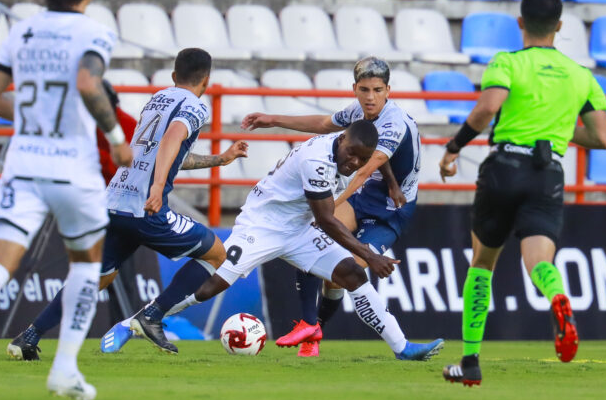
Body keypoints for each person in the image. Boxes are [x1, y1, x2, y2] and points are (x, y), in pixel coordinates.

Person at [0, 0, 132, 400]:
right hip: (72, 168)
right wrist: (114, 136)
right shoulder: (94, 32)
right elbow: (88, 83)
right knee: (87, 264)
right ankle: (65, 368)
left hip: (23, 163)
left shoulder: (20, 32)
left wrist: (32, 118)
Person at [6, 48, 248, 359]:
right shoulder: (196, 106)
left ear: (174, 77)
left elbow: (165, 152)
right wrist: (158, 187)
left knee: (98, 278)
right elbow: (171, 139)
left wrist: (219, 159)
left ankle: (29, 335)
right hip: (145, 206)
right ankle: (152, 316)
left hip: (114, 201)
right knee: (217, 253)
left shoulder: (157, 99)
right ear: (207, 81)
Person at [132, 120, 444, 361]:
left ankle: (401, 347)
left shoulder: (347, 153)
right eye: (351, 154)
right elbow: (326, 219)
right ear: (343, 139)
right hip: (263, 224)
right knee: (212, 285)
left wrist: (390, 182)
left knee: (352, 273)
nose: (352, 163)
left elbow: (324, 214)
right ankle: (147, 317)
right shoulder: (317, 161)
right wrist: (370, 253)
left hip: (298, 228)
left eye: (361, 160)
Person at [439, 0, 606, 386]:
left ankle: (470, 362)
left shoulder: (508, 62)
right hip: (547, 170)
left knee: (482, 264)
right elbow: (602, 137)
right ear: (560, 25)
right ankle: (556, 298)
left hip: (505, 167)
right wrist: (557, 130)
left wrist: (453, 147)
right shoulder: (580, 75)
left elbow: (487, 108)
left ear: (520, 22)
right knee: (539, 261)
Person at [240, 57, 421, 358]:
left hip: (390, 210)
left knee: (338, 273)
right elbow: (324, 124)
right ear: (354, 89)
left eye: (377, 89)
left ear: (389, 90)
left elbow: (363, 171)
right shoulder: (357, 112)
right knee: (318, 238)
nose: (370, 97)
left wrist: (330, 206)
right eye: (364, 89)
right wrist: (273, 120)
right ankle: (308, 324)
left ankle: (316, 330)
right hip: (365, 195)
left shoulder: (394, 122)